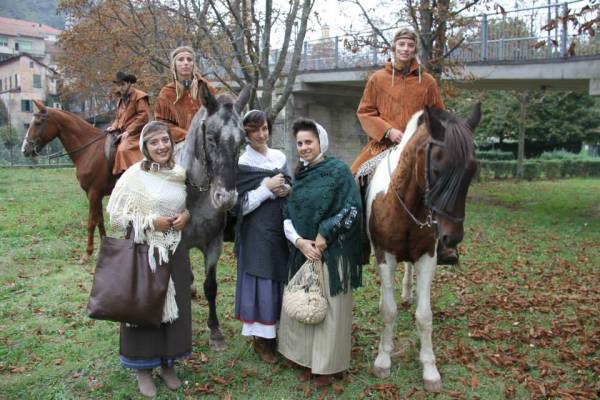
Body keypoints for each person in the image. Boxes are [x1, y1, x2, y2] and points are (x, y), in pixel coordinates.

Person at [106, 121, 192, 398]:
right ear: (145, 147)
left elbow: (186, 205)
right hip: (145, 251)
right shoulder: (133, 176)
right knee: (143, 306)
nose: (161, 146)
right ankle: (143, 368)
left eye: (165, 140)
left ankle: (168, 363)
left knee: (175, 307)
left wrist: (186, 216)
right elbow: (116, 217)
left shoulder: (179, 174)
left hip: (174, 250)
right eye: (154, 142)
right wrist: (149, 222)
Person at [278, 118, 364, 388]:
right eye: (300, 143)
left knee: (330, 310)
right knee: (304, 304)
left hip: (332, 250)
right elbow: (288, 215)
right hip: (303, 251)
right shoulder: (300, 177)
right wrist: (300, 242)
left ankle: (326, 365)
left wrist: (325, 234)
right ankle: (304, 359)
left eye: (309, 142)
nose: (304, 147)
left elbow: (352, 208)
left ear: (321, 142)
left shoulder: (339, 171)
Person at [233, 110, 291, 364]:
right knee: (262, 280)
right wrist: (266, 189)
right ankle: (261, 339)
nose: (261, 134)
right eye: (254, 130)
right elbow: (239, 207)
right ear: (246, 134)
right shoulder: (242, 163)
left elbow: (290, 185)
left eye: (264, 128)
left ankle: (280, 333)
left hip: (280, 229)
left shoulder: (279, 156)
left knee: (280, 278)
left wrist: (285, 189)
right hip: (255, 231)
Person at [350, 27, 444, 175]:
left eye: (410, 45)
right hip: (382, 147)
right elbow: (365, 112)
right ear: (394, 47)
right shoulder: (378, 78)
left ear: (415, 50)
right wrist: (388, 131)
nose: (405, 49)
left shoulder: (428, 82)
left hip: (417, 147)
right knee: (353, 177)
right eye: (401, 44)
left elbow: (438, 115)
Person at [154, 46, 216, 144]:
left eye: (189, 59)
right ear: (174, 65)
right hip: (180, 142)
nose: (186, 63)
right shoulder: (166, 92)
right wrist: (186, 135)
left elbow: (218, 114)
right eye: (181, 60)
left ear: (193, 65)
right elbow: (163, 123)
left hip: (208, 140)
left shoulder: (206, 87)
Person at [106, 71, 150, 175]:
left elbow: (143, 116)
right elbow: (118, 118)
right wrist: (113, 126)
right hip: (123, 133)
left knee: (123, 149)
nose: (120, 88)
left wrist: (129, 131)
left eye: (123, 85)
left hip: (137, 134)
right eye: (119, 85)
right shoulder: (121, 100)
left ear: (130, 84)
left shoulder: (140, 96)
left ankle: (125, 175)